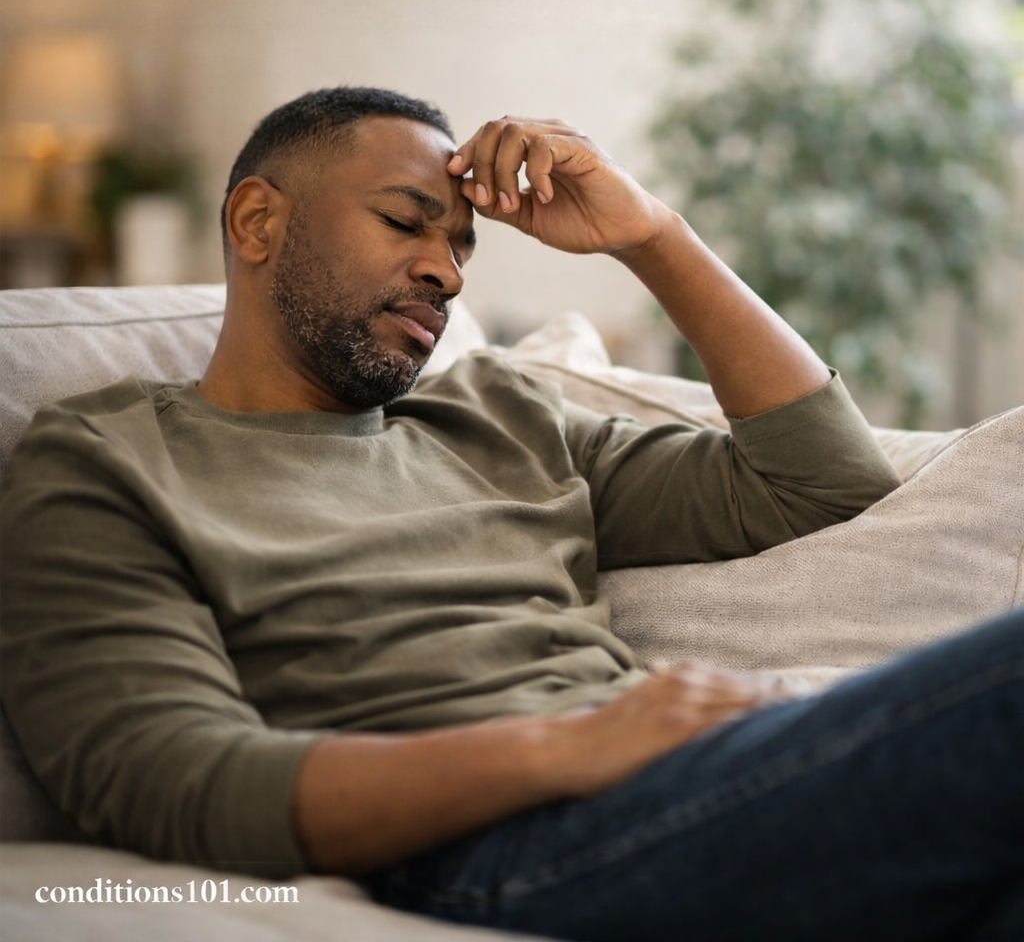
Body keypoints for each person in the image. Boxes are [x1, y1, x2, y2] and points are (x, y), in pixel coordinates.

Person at [1, 86, 1021, 942]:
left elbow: (822, 477)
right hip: (492, 846)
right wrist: (560, 750)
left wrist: (653, 237)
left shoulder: (496, 415)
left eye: (459, 247)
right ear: (258, 221)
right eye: (406, 222)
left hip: (677, 796)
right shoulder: (106, 462)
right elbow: (169, 777)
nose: (445, 270)